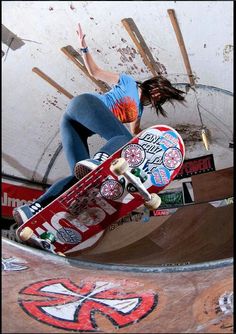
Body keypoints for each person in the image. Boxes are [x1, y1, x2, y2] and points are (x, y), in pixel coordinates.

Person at [13, 23, 185, 226]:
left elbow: (135, 137)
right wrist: (84, 48)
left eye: (161, 99)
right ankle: (99, 161)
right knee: (123, 142)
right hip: (84, 105)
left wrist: (154, 140)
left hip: (74, 126)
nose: (157, 99)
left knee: (80, 181)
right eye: (159, 94)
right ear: (154, 86)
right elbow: (95, 72)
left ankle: (32, 209)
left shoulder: (138, 112)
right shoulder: (128, 82)